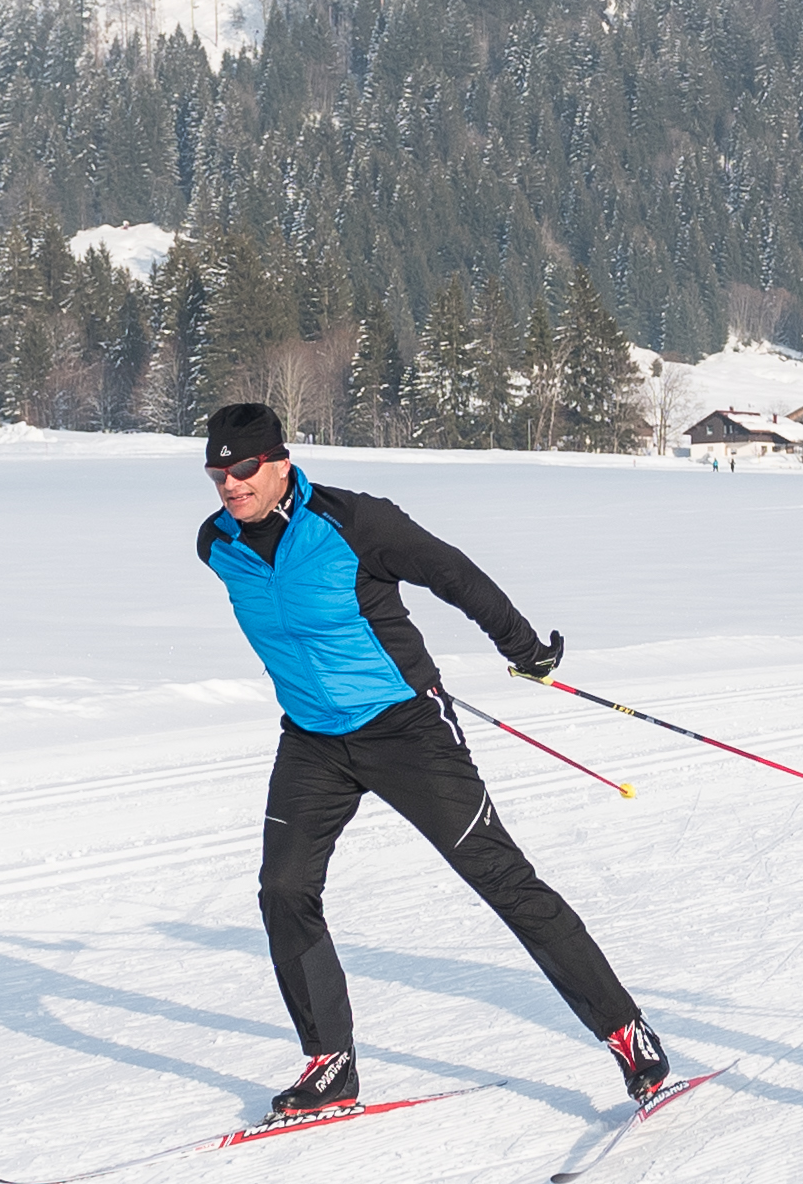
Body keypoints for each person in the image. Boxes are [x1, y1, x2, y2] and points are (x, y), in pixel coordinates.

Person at [191, 400, 673, 1125]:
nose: (231, 484)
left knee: (501, 879)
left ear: (281, 462)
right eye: (217, 472)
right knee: (283, 888)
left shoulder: (355, 523)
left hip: (406, 729)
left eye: (245, 468)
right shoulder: (216, 544)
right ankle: (331, 1064)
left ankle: (625, 1031)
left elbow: (454, 573)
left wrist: (524, 649)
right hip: (314, 740)